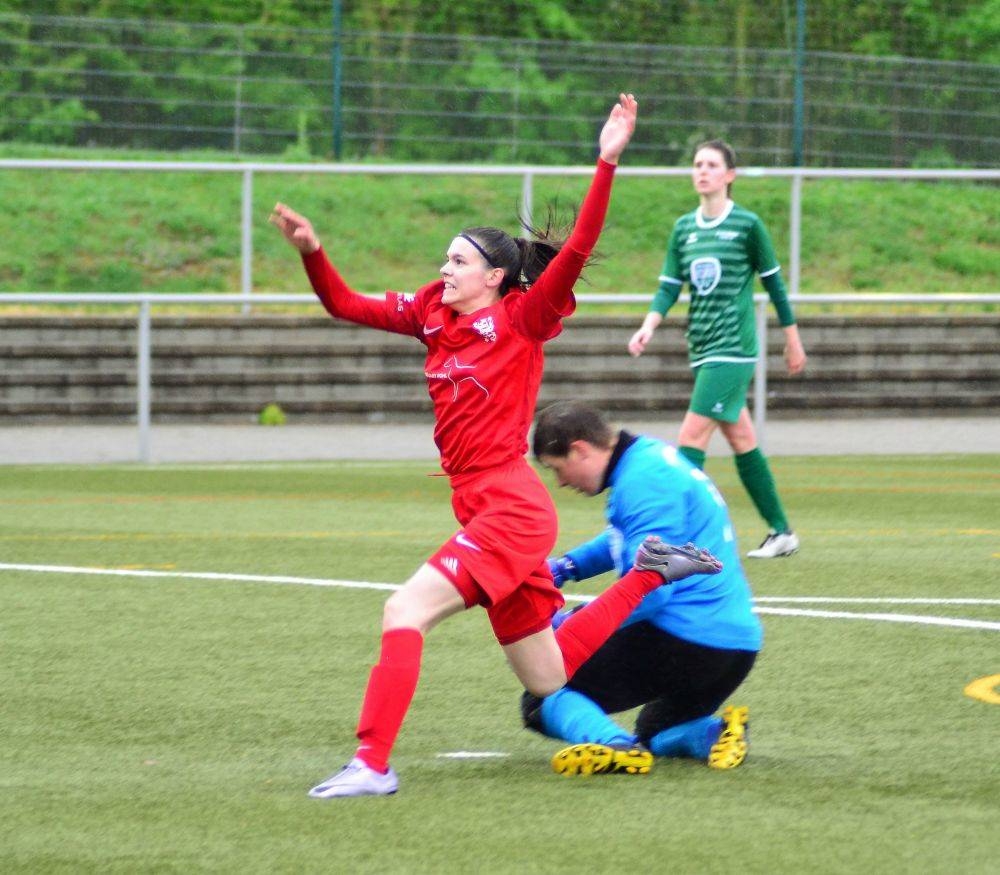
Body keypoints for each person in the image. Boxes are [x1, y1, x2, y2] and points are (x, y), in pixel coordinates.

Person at [270, 94, 723, 799]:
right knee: (548, 677)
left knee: (404, 610)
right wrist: (312, 252)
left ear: (495, 278)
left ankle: (372, 763)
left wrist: (606, 161)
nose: (444, 268)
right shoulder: (430, 311)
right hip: (482, 505)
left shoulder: (522, 318)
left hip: (510, 508)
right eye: (445, 258)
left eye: (458, 260)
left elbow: (576, 249)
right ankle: (647, 572)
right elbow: (343, 304)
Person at [522, 400, 761, 775]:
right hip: (736, 645)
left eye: (557, 468)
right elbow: (628, 539)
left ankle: (615, 746)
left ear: (580, 449)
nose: (562, 482)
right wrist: (567, 567)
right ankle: (716, 733)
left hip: (683, 638)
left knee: (544, 691)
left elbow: (652, 589)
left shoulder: (643, 481)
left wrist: (574, 621)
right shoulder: (647, 459)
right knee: (657, 730)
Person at [627, 139, 807, 559]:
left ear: (730, 175)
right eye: (697, 164)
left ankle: (677, 535)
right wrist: (648, 326)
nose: (702, 171)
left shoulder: (747, 225)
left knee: (691, 435)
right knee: (741, 437)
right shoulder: (683, 229)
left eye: (711, 165)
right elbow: (669, 287)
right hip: (702, 346)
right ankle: (781, 531)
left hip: (733, 349)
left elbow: (774, 285)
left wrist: (792, 338)